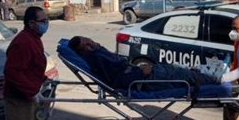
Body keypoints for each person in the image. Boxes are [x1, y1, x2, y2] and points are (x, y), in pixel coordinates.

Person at [68, 36, 223, 92]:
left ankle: (209, 73)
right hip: (144, 80)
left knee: (180, 69)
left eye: (88, 40)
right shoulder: (97, 59)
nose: (91, 44)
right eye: (86, 46)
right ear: (84, 52)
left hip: (143, 74)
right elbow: (117, 81)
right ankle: (219, 80)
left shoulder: (99, 52)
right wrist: (141, 72)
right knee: (184, 76)